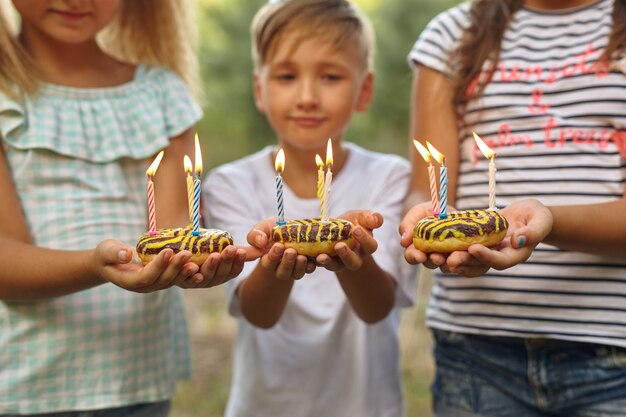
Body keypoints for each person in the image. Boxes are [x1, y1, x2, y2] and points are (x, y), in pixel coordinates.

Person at [0, 0, 246, 415]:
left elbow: (174, 230)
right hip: (30, 387)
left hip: (138, 382)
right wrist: (96, 266)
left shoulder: (161, 94)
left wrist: (192, 265)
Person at [400, 0, 626, 415]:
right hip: (474, 353)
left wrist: (550, 222)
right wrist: (422, 218)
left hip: (612, 354)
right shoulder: (451, 35)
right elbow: (427, 190)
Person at [201, 1, 414, 416]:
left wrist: (351, 252)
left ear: (364, 90)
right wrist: (274, 257)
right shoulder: (230, 184)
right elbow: (258, 313)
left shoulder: (390, 178)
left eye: (331, 76)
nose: (307, 97)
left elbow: (376, 308)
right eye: (286, 76)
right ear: (260, 90)